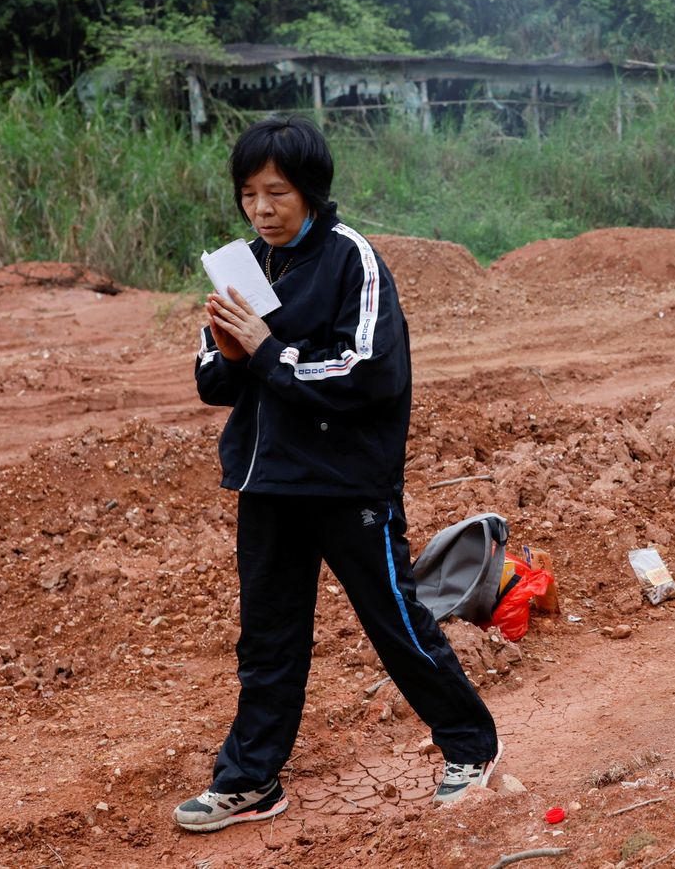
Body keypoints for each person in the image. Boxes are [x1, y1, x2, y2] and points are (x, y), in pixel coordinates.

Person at [177, 116, 499, 833]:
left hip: (346, 482)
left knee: (394, 622)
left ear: (312, 193)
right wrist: (232, 353)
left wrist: (266, 353)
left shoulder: (352, 258)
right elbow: (212, 379)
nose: (261, 210)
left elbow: (370, 374)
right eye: (249, 195)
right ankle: (251, 780)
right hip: (268, 484)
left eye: (277, 194)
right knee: (268, 638)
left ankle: (471, 748)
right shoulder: (243, 265)